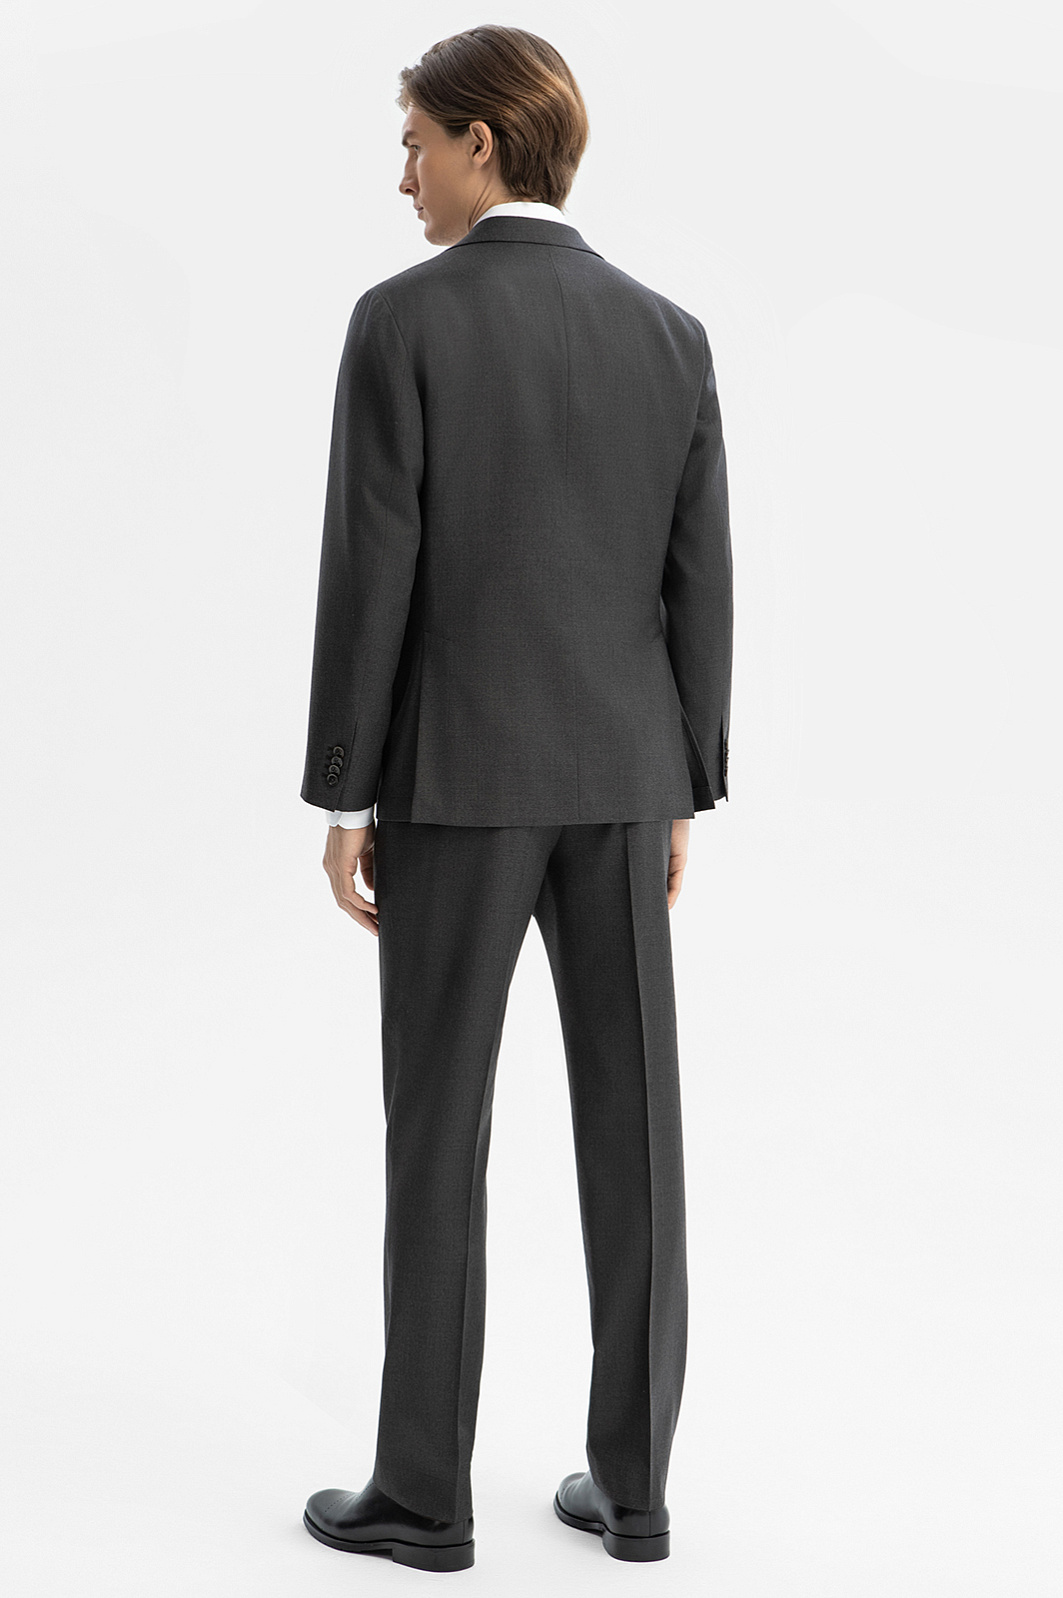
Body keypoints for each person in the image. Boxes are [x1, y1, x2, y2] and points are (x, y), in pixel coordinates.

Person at [298, 24, 732, 1575]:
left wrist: (345, 793)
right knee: (638, 1134)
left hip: (457, 782)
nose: (403, 174)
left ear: (483, 141)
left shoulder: (401, 321)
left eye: (415, 141)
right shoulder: (671, 334)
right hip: (623, 780)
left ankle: (423, 1496)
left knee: (439, 1129)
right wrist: (685, 784)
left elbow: (374, 573)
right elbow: (698, 585)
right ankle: (637, 1488)